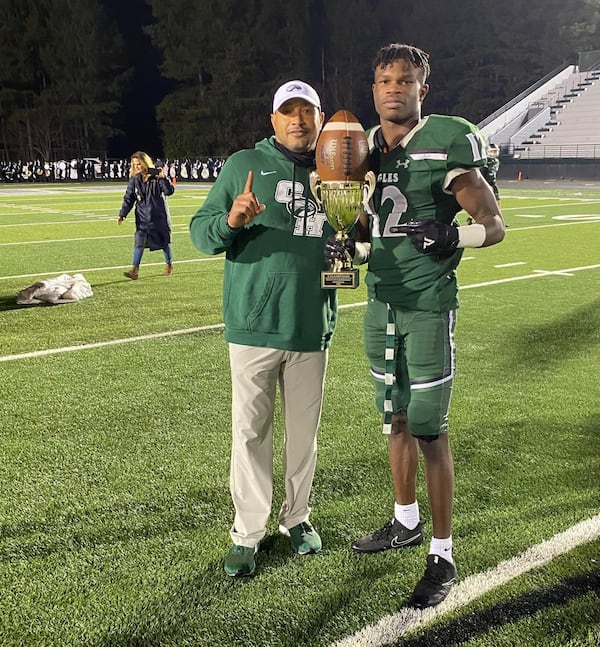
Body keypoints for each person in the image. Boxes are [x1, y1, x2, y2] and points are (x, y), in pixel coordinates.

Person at [325, 43, 505, 609]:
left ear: (422, 89)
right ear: (373, 89)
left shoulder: (446, 139)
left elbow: (494, 224)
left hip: (427, 303)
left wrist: (456, 235)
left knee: (428, 427)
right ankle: (404, 521)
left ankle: (443, 551)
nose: (394, 88)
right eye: (384, 80)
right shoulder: (361, 148)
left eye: (406, 80)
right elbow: (360, 230)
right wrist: (345, 248)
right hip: (380, 301)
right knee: (394, 417)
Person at [189, 80, 337, 578]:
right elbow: (200, 233)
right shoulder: (241, 166)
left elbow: (349, 242)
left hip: (310, 323)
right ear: (272, 120)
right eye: (288, 112)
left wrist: (355, 242)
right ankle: (248, 531)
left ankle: (296, 518)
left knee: (304, 436)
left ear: (320, 119)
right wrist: (231, 220)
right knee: (250, 432)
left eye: (307, 112)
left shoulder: (337, 169)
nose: (298, 120)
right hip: (253, 325)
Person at [118, 151, 175, 280]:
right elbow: (129, 198)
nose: (137, 167)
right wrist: (123, 214)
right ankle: (135, 269)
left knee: (164, 242)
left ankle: (169, 264)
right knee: (139, 242)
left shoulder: (156, 177)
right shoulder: (135, 179)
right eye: (134, 164)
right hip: (142, 217)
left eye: (139, 164)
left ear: (145, 162)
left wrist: (163, 177)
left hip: (158, 216)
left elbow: (169, 191)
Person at [468, 142, 500, 224]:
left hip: (492, 183)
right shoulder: (485, 161)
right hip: (485, 183)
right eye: (492, 151)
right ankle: (471, 217)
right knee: (481, 203)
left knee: (497, 200)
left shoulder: (495, 161)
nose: (494, 153)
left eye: (495, 151)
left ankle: (498, 219)